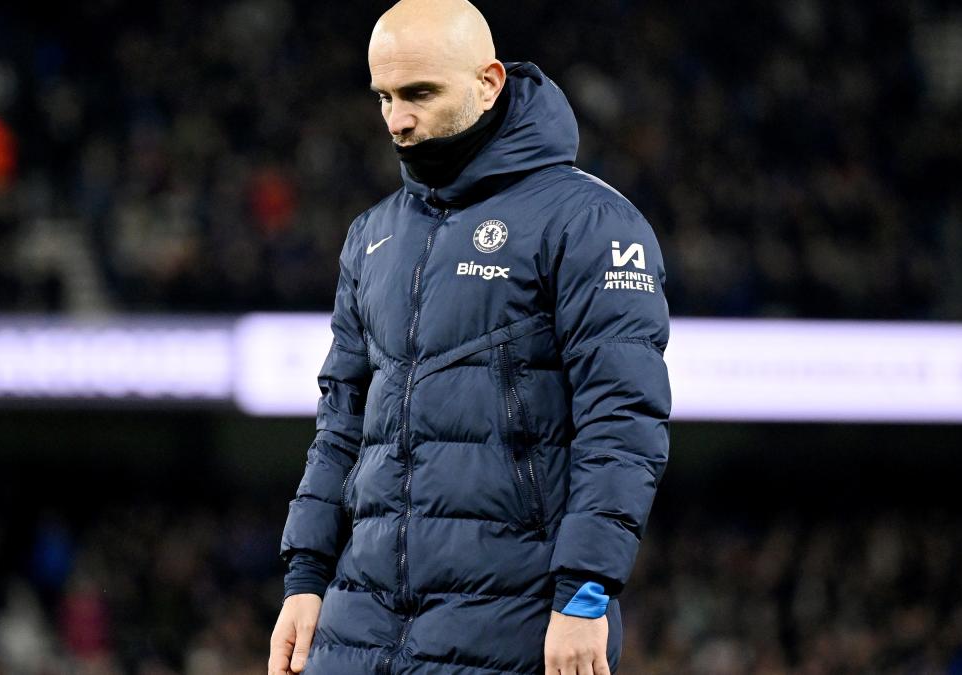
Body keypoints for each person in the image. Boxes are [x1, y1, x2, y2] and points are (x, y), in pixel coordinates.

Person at [268, 0, 671, 673]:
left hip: (514, 623)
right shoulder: (372, 235)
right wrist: (305, 578)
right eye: (384, 97)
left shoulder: (591, 223)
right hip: (357, 625)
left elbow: (622, 423)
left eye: (419, 94)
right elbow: (341, 423)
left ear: (488, 83)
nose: (396, 119)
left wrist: (585, 593)